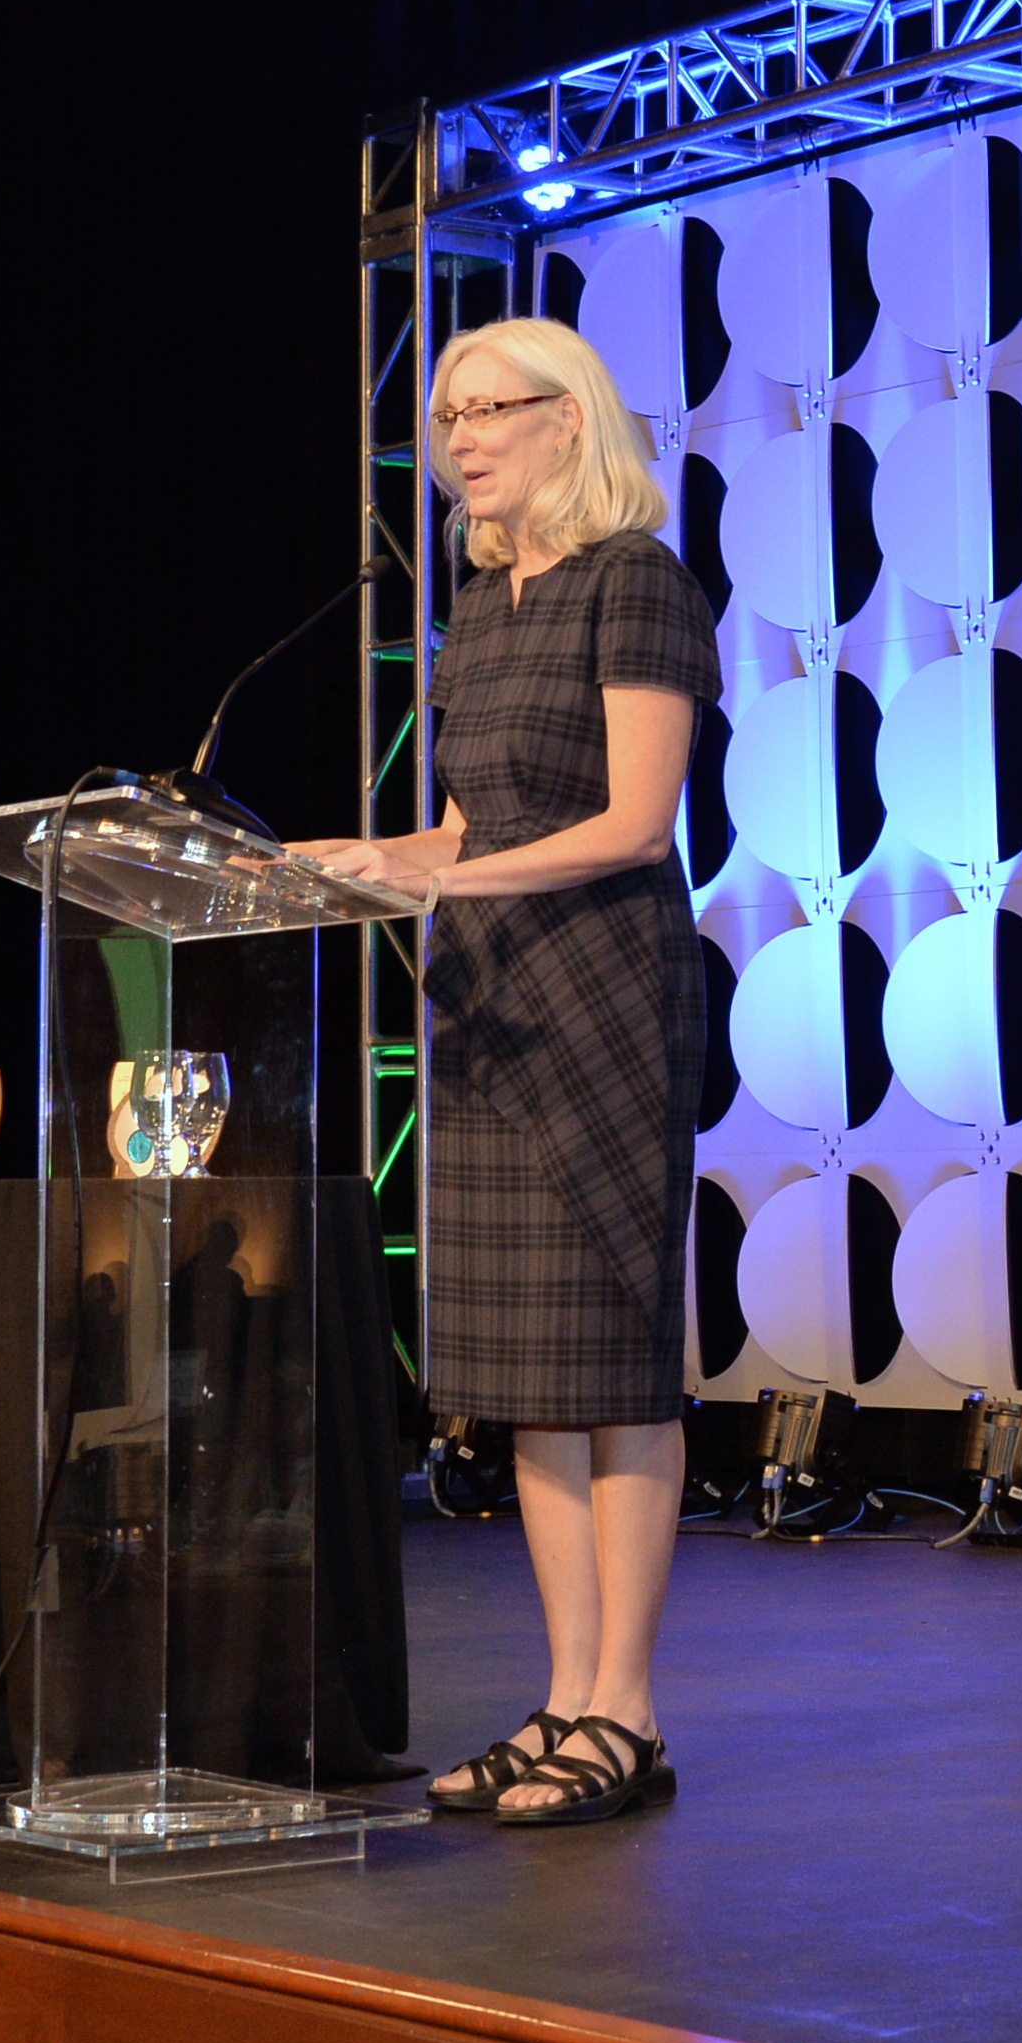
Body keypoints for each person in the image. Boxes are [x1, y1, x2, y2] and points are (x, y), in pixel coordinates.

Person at [298, 314, 714, 1829]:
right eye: (447, 413)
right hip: (486, 1014)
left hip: (602, 1008)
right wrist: (350, 863)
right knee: (535, 1387)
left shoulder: (637, 586)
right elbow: (470, 832)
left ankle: (632, 1714)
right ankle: (563, 1699)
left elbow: (630, 824)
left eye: (491, 408)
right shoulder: (481, 612)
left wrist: (431, 886)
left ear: (571, 418)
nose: (461, 436)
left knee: (613, 1365)